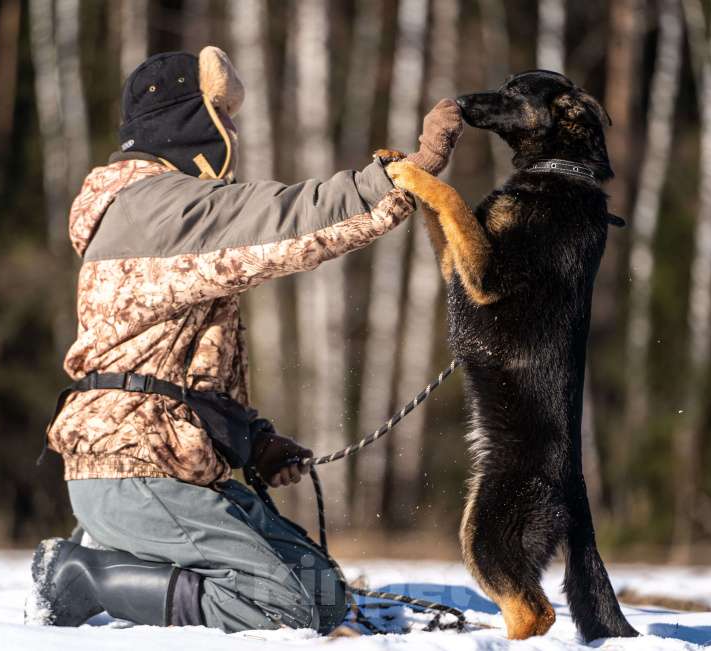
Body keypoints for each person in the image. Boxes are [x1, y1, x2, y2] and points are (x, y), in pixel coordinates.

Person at [26, 46, 463, 634]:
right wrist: (398, 177)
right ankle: (86, 576)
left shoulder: (154, 208)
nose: (232, 129)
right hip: (134, 468)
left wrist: (250, 440)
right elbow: (288, 218)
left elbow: (172, 367)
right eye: (222, 114)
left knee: (323, 596)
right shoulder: (161, 208)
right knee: (282, 610)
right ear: (188, 121)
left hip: (166, 462)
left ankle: (123, 558)